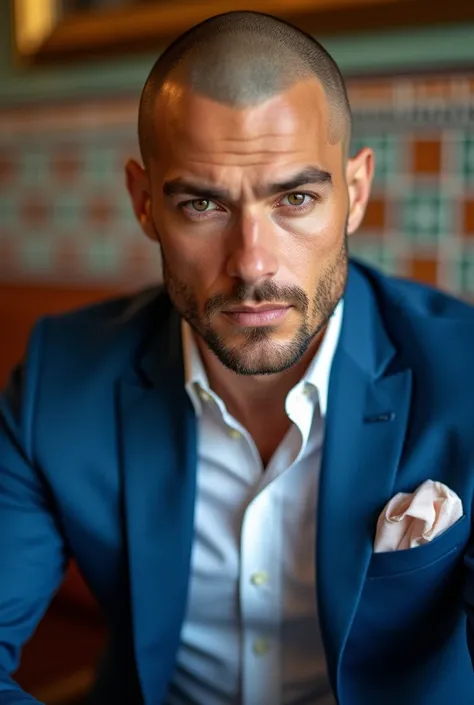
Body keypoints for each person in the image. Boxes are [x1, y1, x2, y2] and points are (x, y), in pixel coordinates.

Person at [1, 10, 474, 705]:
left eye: (297, 197)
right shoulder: (59, 377)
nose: (252, 263)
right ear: (143, 204)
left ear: (356, 193)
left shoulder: (465, 374)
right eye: (202, 203)